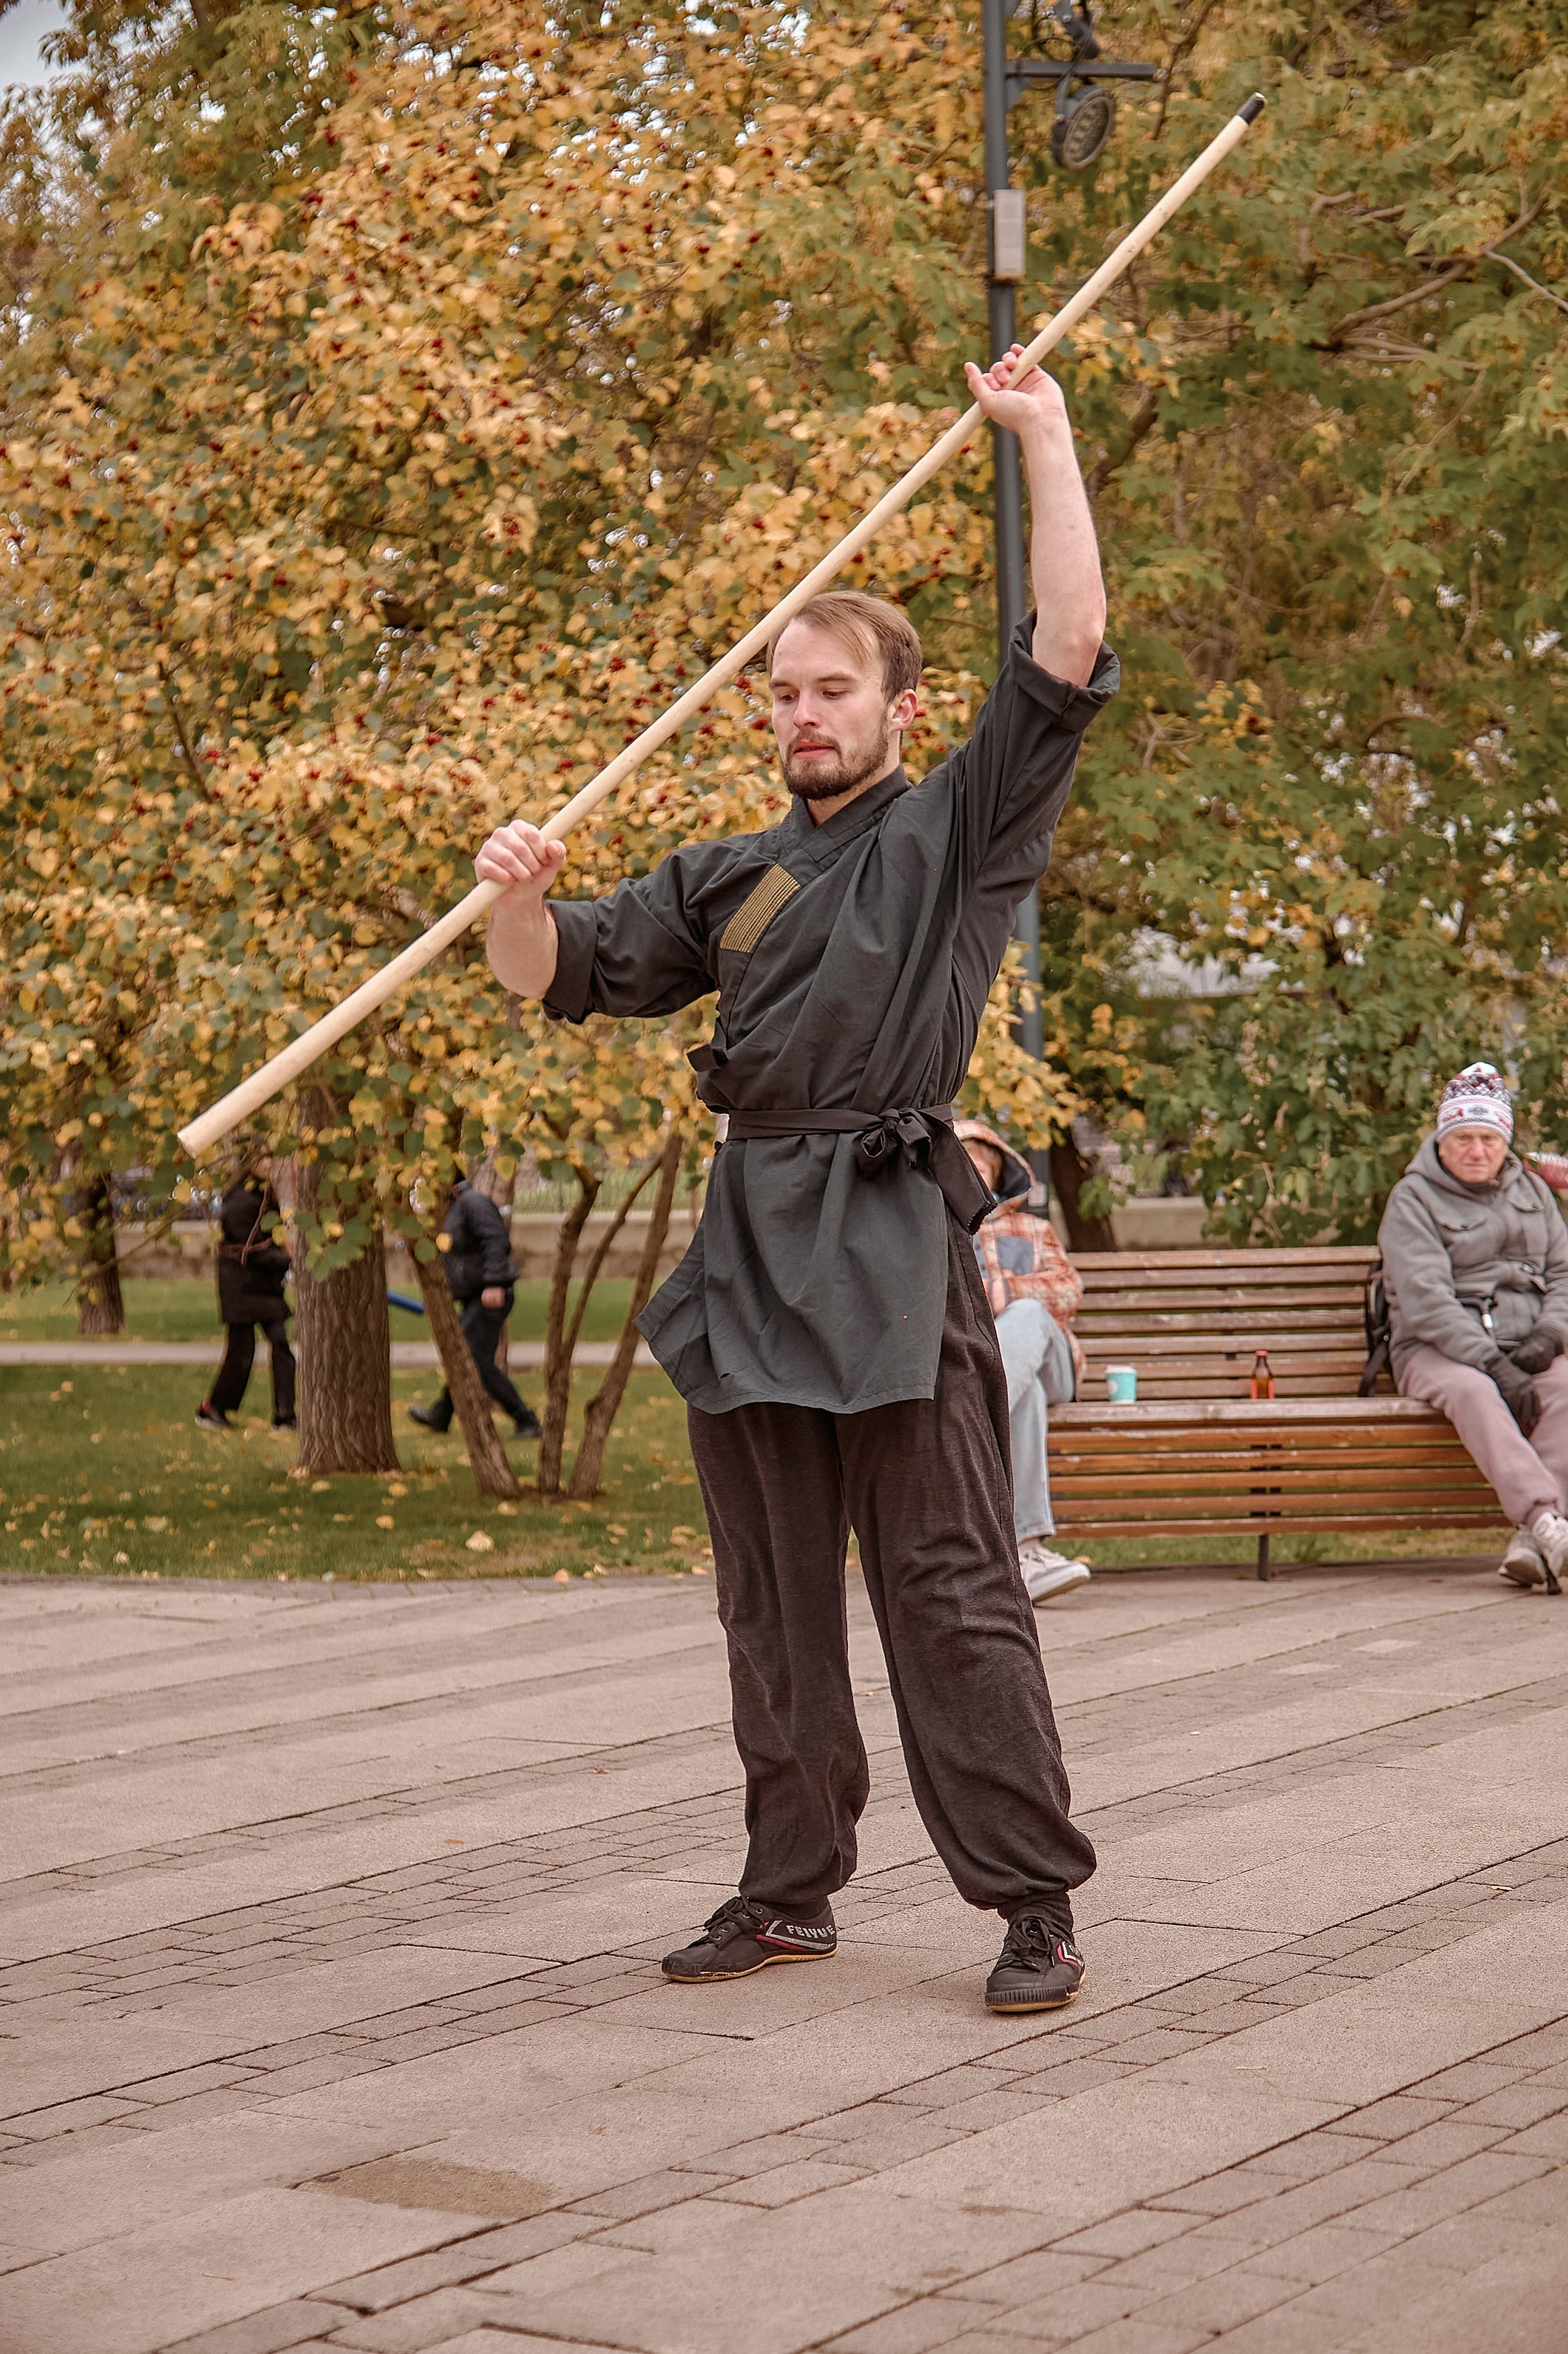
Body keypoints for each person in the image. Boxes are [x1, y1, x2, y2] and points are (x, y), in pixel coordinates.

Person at [476, 344, 1113, 2015]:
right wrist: (517, 895)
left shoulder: (956, 833)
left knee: (951, 1594)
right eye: (780, 692)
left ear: (900, 709)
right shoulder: (729, 875)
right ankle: (788, 1889)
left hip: (892, 1251)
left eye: (831, 689)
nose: (801, 715)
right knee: (768, 1607)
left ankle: (1031, 1902)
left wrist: (1041, 435)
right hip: (752, 1253)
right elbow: (555, 973)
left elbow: (1064, 644)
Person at [1380, 1061, 1568, 1589]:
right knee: (1476, 1391)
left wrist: (1549, 1336)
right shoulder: (1412, 1199)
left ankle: (1535, 1541)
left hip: (1525, 1345)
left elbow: (1563, 1275)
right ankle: (1544, 1519)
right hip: (1435, 1352)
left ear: (1506, 1142)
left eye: (1490, 1138)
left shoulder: (1534, 1193)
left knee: (1566, 1387)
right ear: (1442, 1141)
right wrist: (1489, 1361)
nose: (1478, 1150)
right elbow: (1426, 1303)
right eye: (1464, 1137)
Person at [955, 1120, 1092, 1602]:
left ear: (996, 1176)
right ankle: (1027, 1555)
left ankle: (971, 1423)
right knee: (1024, 1394)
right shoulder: (936, 1233)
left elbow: (1068, 1290)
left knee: (1030, 1312)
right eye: (960, 1165)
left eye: (980, 1166)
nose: (971, 1174)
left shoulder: (1033, 1230)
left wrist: (1005, 1291)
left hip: (1053, 1363)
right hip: (998, 1375)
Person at [409, 1174, 543, 1441]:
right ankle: (441, 1415)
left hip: (490, 1295)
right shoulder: (456, 1209)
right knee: (466, 1356)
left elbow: (496, 1240)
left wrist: (494, 1283)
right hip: (475, 1297)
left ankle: (526, 1420)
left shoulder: (474, 1203)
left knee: (474, 1360)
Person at [196, 1160, 295, 1432]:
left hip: (264, 1289)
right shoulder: (240, 1200)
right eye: (261, 1158)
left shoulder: (262, 1194)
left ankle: (286, 1414)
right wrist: (288, 1261)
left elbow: (270, 1240)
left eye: (270, 1156)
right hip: (242, 1289)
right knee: (241, 1353)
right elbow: (249, 1250)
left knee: (281, 1347)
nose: (268, 1163)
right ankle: (213, 1408)